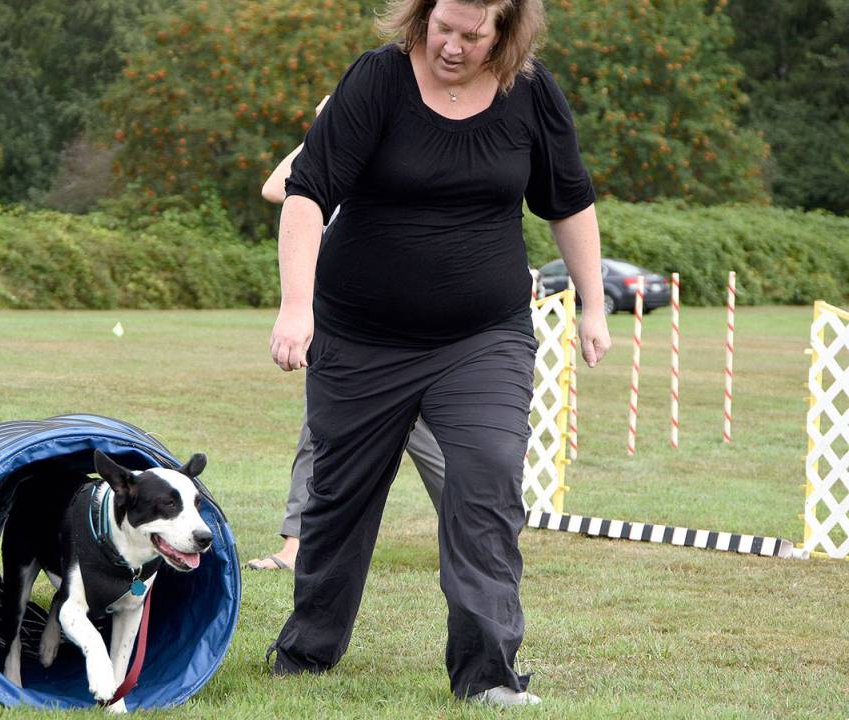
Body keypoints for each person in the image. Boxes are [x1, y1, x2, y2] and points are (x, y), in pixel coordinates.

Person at [268, 0, 611, 708]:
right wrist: (295, 306)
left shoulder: (532, 92)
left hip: (482, 336)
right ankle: (309, 649)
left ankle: (487, 674)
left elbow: (568, 200)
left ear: (506, 32)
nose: (451, 46)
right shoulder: (377, 80)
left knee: (486, 477)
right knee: (338, 500)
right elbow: (305, 193)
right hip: (360, 338)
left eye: (472, 34)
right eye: (441, 28)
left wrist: (593, 304)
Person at [249, 100, 447, 571]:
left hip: (398, 331)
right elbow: (274, 188)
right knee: (318, 432)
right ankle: (296, 546)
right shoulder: (325, 168)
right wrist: (320, 133)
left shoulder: (381, 163)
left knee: (431, 440)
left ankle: (484, 526)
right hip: (340, 327)